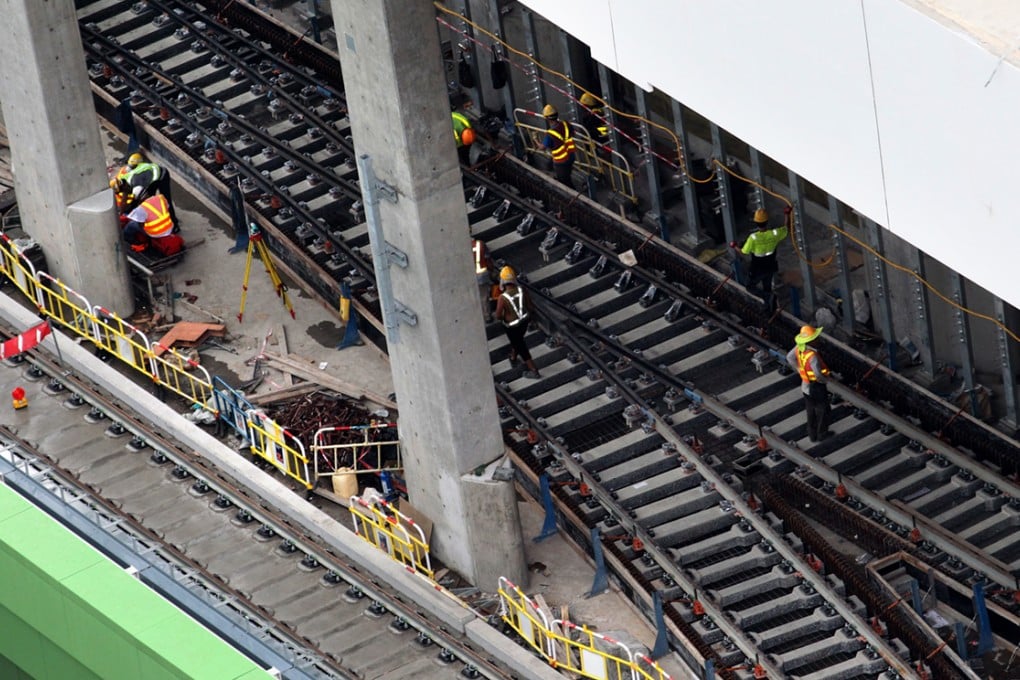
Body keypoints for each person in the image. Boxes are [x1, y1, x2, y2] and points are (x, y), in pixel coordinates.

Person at [786, 325, 832, 443]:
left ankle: (812, 435)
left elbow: (789, 357)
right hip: (816, 386)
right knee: (823, 409)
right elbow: (817, 373)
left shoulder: (799, 348)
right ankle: (822, 434)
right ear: (811, 341)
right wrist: (824, 380)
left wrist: (799, 369)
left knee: (810, 410)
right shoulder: (812, 356)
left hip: (805, 385)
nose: (818, 340)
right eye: (816, 338)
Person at [494, 266, 541, 379]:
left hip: (511, 326)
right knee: (518, 341)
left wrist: (505, 317)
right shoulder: (522, 290)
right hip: (524, 321)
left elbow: (498, 315)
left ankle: (533, 370)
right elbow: (530, 306)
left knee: (521, 346)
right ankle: (513, 357)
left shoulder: (503, 297)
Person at [739, 207, 788, 309]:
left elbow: (743, 252)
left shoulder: (753, 238)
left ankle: (768, 297)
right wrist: (787, 214)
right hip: (770, 266)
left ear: (756, 222)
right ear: (767, 221)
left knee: (749, 286)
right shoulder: (774, 234)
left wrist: (734, 246)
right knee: (767, 287)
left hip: (757, 268)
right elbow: (785, 229)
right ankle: (769, 308)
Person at [122, 193, 184, 258]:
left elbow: (141, 225)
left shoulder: (142, 208)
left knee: (130, 226)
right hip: (169, 227)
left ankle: (131, 242)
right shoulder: (160, 198)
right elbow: (167, 209)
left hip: (155, 232)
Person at [125, 152, 179, 226]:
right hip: (152, 178)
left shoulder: (137, 183)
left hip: (162, 176)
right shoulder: (132, 173)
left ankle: (174, 223)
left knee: (166, 199)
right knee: (149, 199)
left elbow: (137, 197)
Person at [540, 104, 575, 187]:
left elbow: (542, 148)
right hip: (571, 156)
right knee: (567, 175)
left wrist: (535, 140)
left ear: (547, 119)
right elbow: (573, 133)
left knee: (565, 182)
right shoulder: (565, 124)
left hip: (561, 161)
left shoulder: (550, 134)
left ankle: (573, 196)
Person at [472, 238, 495, 322]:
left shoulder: (462, 247)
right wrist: (492, 270)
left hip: (470, 276)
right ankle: (487, 317)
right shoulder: (480, 244)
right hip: (482, 274)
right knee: (484, 297)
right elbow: (487, 259)